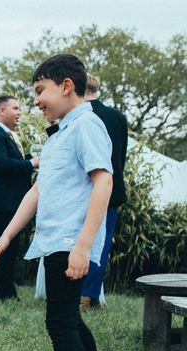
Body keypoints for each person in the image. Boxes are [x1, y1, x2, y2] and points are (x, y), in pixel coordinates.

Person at [0, 55, 118, 351]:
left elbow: (104, 182)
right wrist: (7, 237)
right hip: (54, 240)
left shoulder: (88, 126)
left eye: (40, 92)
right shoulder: (59, 134)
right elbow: (37, 192)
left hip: (69, 243)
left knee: (60, 323)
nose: (37, 102)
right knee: (71, 322)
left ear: (65, 85)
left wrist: (82, 245)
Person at [0, 95, 39, 299]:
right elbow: (2, 165)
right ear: (2, 111)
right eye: (15, 108)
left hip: (10, 202)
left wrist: (29, 159)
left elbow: (13, 163)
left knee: (11, 249)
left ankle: (7, 291)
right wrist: (32, 164)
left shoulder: (6, 134)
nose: (19, 112)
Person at [80, 73, 128, 312]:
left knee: (79, 240)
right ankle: (90, 295)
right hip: (111, 189)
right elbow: (121, 158)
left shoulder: (79, 115)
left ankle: (80, 295)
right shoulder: (117, 117)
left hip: (83, 189)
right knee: (102, 244)